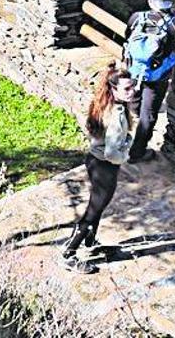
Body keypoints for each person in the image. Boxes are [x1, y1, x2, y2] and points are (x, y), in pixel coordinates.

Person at [61, 63, 136, 273]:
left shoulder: (103, 103)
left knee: (98, 206)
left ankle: (90, 243)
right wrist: (126, 152)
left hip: (93, 160)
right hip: (105, 167)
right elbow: (113, 153)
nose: (133, 91)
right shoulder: (117, 115)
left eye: (133, 86)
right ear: (114, 89)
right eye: (127, 89)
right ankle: (68, 253)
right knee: (93, 211)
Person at [123, 0, 175, 163]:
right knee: (150, 113)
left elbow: (126, 35)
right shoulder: (174, 24)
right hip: (158, 75)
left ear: (150, 0)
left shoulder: (137, 17)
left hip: (134, 68)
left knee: (136, 97)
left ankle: (134, 112)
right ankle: (137, 153)